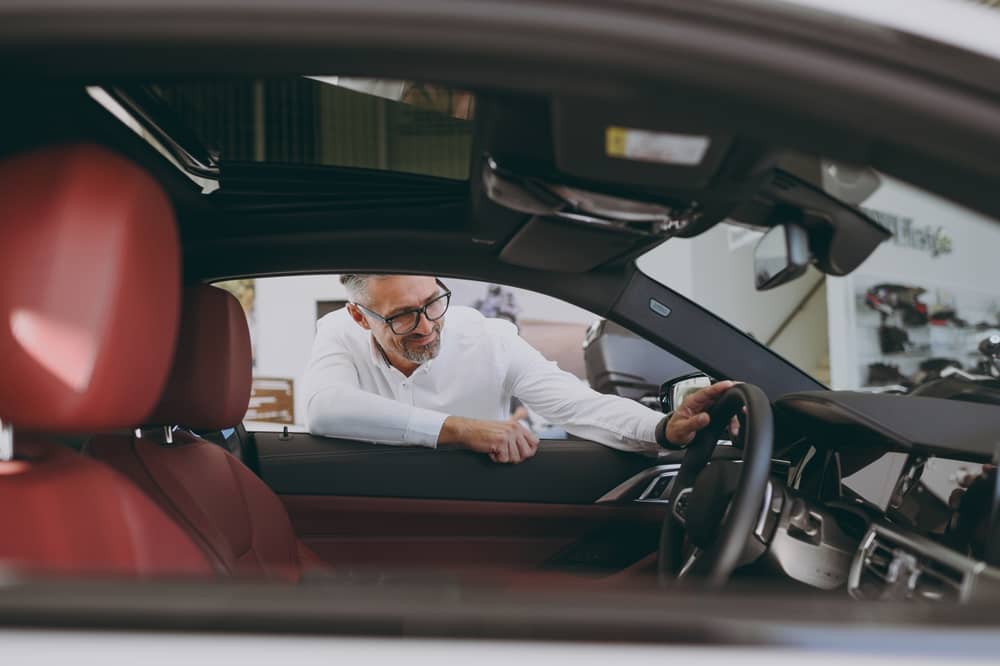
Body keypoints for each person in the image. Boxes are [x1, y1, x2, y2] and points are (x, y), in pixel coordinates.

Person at [303, 274, 737, 464]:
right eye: (402, 316)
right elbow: (324, 408)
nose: (428, 326)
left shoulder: (490, 339)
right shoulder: (338, 332)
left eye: (433, 302)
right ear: (361, 318)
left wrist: (664, 427)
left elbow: (579, 405)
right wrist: (461, 429)